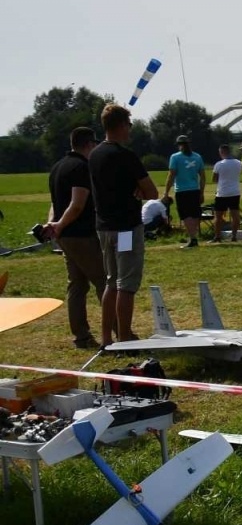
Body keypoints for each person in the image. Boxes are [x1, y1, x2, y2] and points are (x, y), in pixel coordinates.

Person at [88, 103, 158, 344]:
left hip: (104, 228)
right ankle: (126, 337)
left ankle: (107, 337)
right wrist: (138, 189)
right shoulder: (126, 156)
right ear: (120, 126)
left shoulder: (95, 154)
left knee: (110, 282)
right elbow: (151, 191)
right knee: (126, 284)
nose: (130, 130)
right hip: (126, 229)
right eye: (129, 125)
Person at [41, 126, 105, 349]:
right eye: (94, 144)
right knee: (103, 281)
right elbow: (77, 205)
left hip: (64, 236)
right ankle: (116, 332)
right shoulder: (81, 167)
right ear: (89, 144)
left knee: (77, 285)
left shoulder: (57, 167)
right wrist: (61, 224)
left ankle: (82, 336)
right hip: (81, 235)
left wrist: (54, 225)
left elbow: (54, 204)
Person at [163, 134, 206, 248]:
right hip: (195, 189)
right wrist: (201, 192)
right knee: (195, 214)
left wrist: (166, 192)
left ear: (179, 145)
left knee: (185, 214)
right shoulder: (197, 157)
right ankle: (194, 236)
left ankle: (193, 238)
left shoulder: (175, 157)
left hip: (182, 190)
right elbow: (202, 176)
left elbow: (171, 175)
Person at [211, 143, 242, 242]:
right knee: (235, 215)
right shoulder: (239, 163)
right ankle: (234, 236)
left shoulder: (219, 164)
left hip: (222, 193)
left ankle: (217, 237)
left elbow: (214, 179)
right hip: (235, 192)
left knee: (218, 217)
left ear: (222, 152)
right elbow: (239, 173)